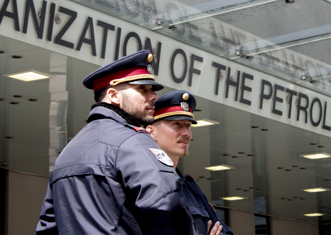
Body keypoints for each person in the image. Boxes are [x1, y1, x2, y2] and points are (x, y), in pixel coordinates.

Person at [36, 50, 193, 234]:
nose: (153, 96)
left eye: (152, 90)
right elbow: (168, 205)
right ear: (114, 95)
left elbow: (48, 226)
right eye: (142, 88)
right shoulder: (133, 141)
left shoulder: (67, 154)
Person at [146, 90, 234, 235]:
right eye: (176, 124)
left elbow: (224, 231)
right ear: (151, 132)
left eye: (188, 125)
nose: (186, 133)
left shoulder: (190, 187)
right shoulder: (139, 181)